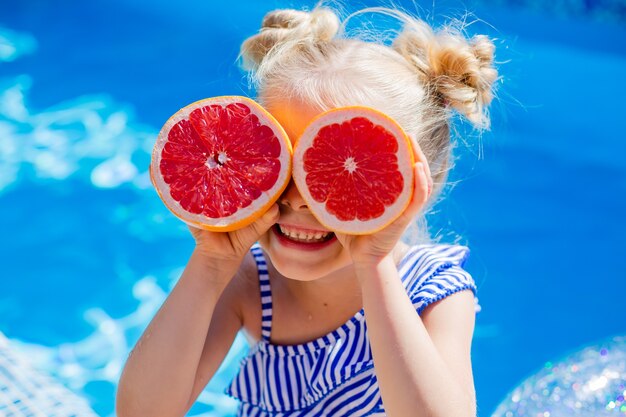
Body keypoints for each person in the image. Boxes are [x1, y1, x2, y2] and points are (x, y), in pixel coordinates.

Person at [117, 3, 498, 417]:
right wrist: (210, 264)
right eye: (277, 163)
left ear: (422, 181)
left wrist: (374, 264)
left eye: (342, 172)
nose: (298, 198)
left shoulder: (434, 289)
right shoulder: (250, 282)